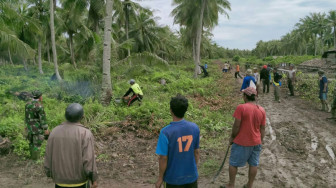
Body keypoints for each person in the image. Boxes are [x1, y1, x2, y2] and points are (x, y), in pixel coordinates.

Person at [44, 103, 98, 188]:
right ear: (82, 117)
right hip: (80, 182)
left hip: (59, 182)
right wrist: (93, 179)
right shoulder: (85, 133)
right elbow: (88, 160)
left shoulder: (54, 132)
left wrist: (49, 172)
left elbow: (48, 156)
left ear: (65, 115)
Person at [223, 87, 266, 188]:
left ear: (245, 97)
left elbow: (236, 125)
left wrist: (232, 137)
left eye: (243, 95)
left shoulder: (241, 107)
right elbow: (263, 128)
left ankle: (231, 185)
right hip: (256, 142)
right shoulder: (262, 110)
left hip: (242, 141)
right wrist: (260, 140)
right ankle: (249, 185)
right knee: (253, 164)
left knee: (233, 163)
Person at [155, 95, 200, 188]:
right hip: (191, 177)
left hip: (173, 179)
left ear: (171, 110)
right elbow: (196, 152)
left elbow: (163, 158)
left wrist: (160, 178)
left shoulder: (165, 132)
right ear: (185, 110)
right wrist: (194, 170)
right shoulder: (195, 128)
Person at [25, 90, 49, 160]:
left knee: (31, 143)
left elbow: (26, 117)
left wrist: (26, 126)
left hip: (29, 127)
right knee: (37, 145)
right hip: (37, 129)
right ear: (40, 97)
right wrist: (46, 129)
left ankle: (32, 157)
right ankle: (35, 159)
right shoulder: (39, 106)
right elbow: (43, 120)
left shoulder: (27, 104)